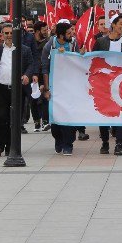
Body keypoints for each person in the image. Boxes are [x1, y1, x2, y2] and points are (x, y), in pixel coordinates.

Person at [0, 23, 35, 158]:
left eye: (11, 33)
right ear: (2, 35)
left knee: (14, 119)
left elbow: (31, 65)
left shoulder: (24, 50)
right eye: (6, 33)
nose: (9, 35)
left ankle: (11, 147)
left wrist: (27, 75)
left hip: (16, 90)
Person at [92, 13, 122, 155]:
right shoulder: (101, 42)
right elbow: (93, 60)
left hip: (120, 85)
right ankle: (104, 142)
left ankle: (119, 144)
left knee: (120, 113)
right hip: (103, 84)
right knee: (103, 113)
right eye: (121, 24)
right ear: (113, 25)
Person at [42, 20, 78, 155]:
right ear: (61, 35)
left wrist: (79, 54)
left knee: (68, 115)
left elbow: (78, 62)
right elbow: (45, 68)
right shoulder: (50, 46)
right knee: (56, 117)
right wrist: (46, 89)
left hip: (70, 86)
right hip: (55, 86)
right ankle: (58, 138)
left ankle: (68, 143)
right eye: (69, 33)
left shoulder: (73, 43)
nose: (72, 34)